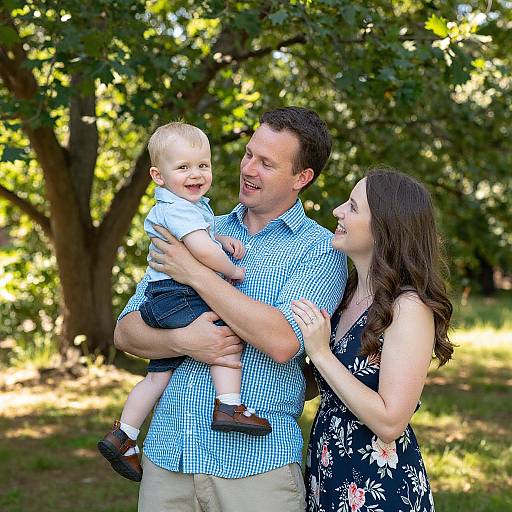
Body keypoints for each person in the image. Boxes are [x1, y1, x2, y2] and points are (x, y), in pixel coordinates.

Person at [114, 106, 348, 511]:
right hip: (169, 458)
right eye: (249, 154)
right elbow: (126, 331)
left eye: (267, 163)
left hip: (255, 470)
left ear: (301, 178)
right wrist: (184, 341)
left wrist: (196, 274)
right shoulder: (197, 225)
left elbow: (282, 341)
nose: (248, 169)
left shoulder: (319, 250)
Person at [98, 122, 271, 482]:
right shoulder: (178, 209)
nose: (196, 174)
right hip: (178, 296)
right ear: (158, 176)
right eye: (183, 168)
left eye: (202, 165)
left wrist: (220, 238)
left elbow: (203, 237)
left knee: (156, 378)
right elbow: (201, 251)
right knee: (226, 337)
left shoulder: (185, 207)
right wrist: (231, 269)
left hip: (164, 299)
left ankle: (124, 435)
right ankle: (229, 406)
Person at [291, 168, 454, 512]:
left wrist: (321, 354)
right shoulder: (348, 292)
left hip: (379, 485)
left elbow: (390, 421)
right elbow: (325, 385)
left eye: (352, 207)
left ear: (383, 228)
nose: (337, 211)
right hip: (330, 471)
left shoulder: (408, 307)